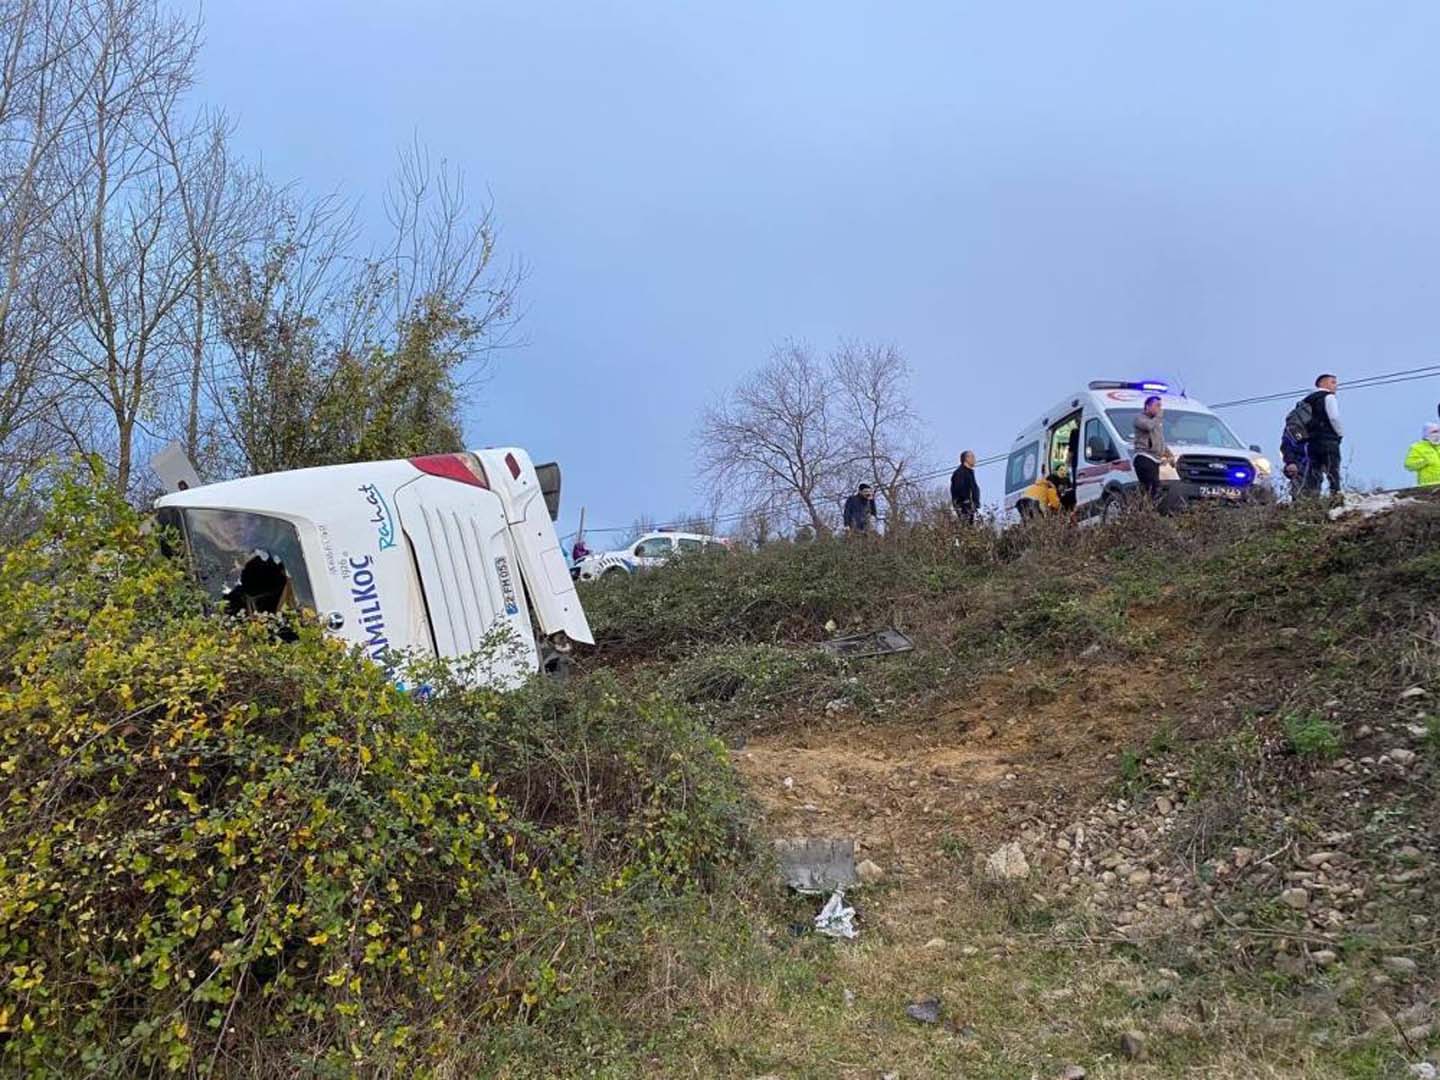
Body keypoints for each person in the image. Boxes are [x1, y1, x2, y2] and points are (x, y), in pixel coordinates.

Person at [1300, 374, 1343, 497]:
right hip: (1328, 440)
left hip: (1311, 442)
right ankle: (1335, 497)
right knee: (1332, 471)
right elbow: (1334, 417)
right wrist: (1339, 433)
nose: (1336, 386)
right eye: (1333, 382)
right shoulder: (1328, 397)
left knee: (1314, 474)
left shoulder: (1306, 401)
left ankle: (1312, 499)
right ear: (1323, 383)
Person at [1131, 395, 1173, 507]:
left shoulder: (1156, 423)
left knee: (1153, 489)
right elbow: (1148, 426)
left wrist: (1169, 455)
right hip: (1144, 457)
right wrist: (1158, 417)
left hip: (1155, 460)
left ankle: (1148, 510)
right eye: (1157, 405)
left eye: (1160, 406)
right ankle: (1146, 510)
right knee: (1152, 487)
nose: (1160, 409)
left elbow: (1160, 441)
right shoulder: (1140, 418)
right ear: (1147, 406)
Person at [1403, 422, 1440, 487]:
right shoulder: (1417, 447)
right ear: (1426, 433)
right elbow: (1408, 465)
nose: (1437, 434)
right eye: (1434, 432)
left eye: (1438, 432)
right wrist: (1424, 462)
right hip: (1428, 486)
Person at [950, 450, 981, 524]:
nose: (975, 459)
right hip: (964, 507)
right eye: (972, 457)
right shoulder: (960, 473)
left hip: (971, 507)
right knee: (966, 526)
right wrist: (966, 501)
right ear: (966, 458)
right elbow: (959, 489)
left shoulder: (970, 473)